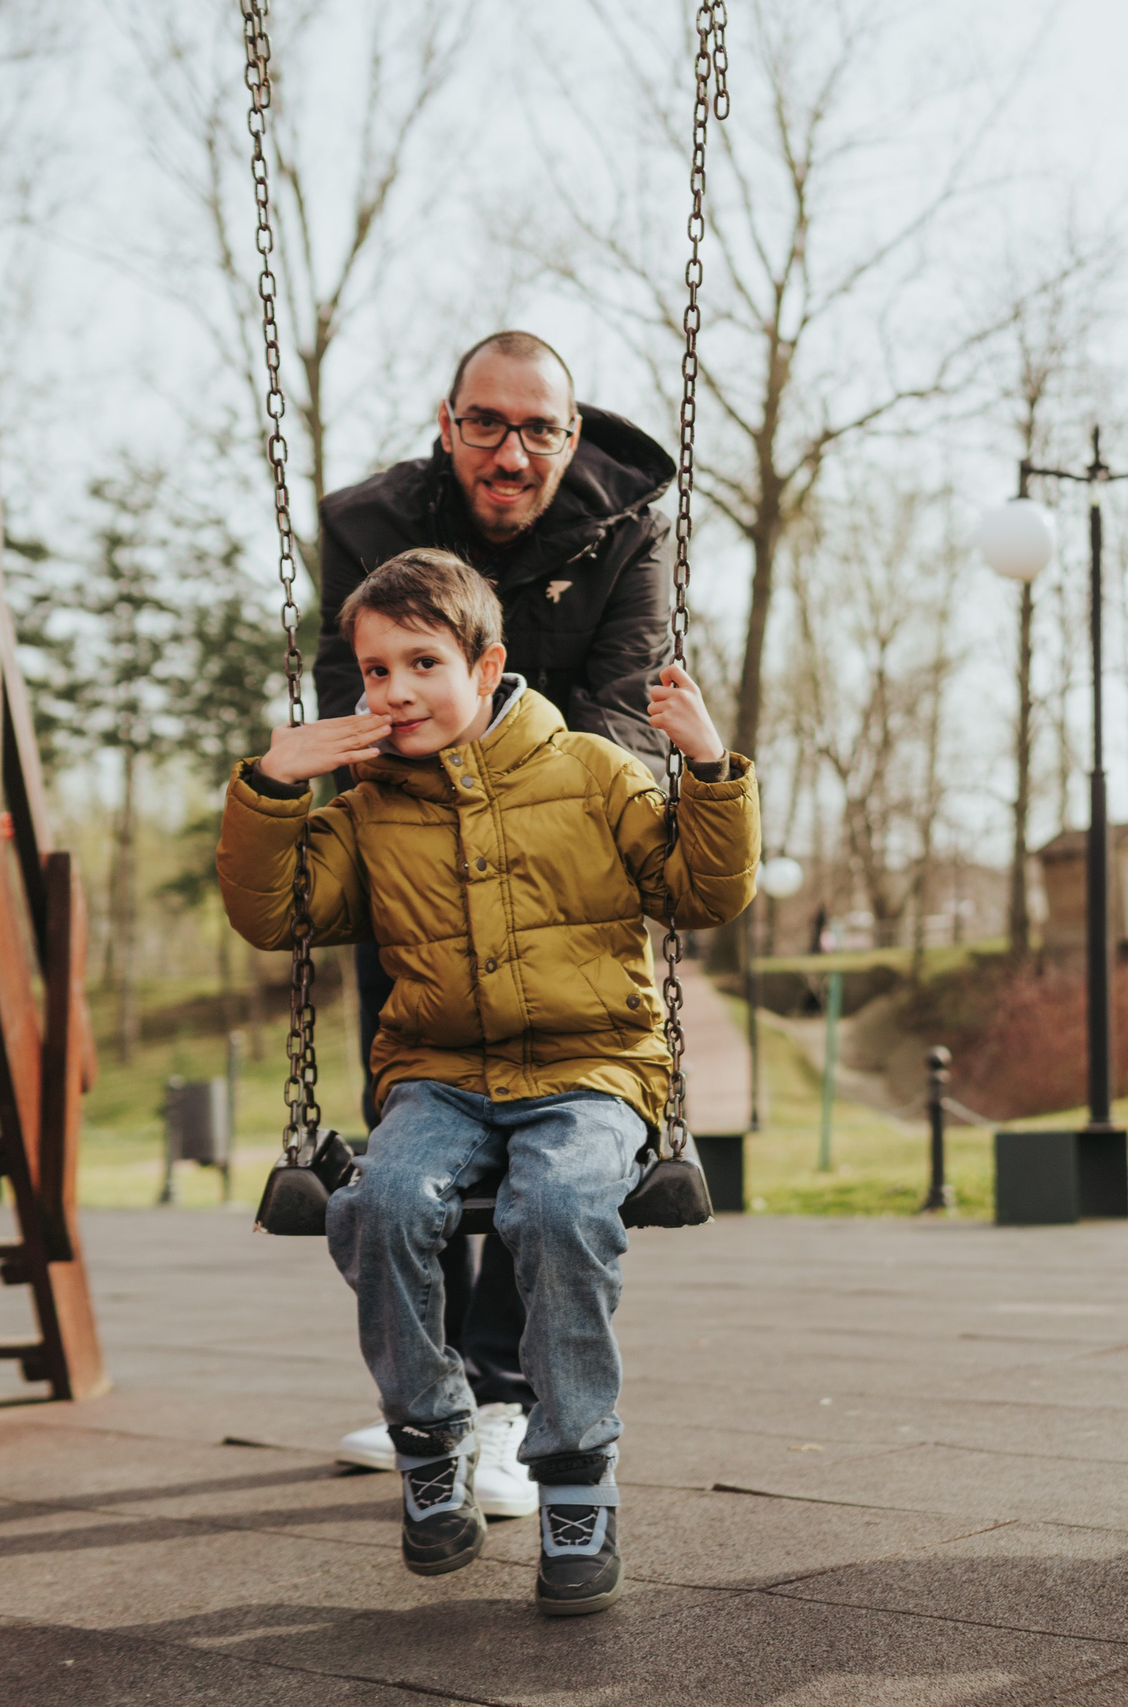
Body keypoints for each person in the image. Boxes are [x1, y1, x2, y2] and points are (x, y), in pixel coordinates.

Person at [219, 548, 757, 1615]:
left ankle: (577, 1479)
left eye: (422, 662)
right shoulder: (366, 807)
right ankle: (431, 1441)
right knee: (378, 1204)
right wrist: (272, 789)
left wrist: (707, 770)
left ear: (486, 664)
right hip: (439, 1074)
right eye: (375, 670)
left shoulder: (594, 770)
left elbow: (701, 893)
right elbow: (278, 915)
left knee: (559, 1207)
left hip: (592, 1064)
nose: (394, 690)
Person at [318, 331, 677, 1508]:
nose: (510, 454)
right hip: (415, 843)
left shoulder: (628, 527)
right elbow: (349, 691)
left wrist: (565, 821)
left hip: (567, 849)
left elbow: (627, 699)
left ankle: (509, 1391)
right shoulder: (367, 524)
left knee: (553, 1157)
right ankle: (446, 1392)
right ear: (447, 422)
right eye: (485, 425)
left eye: (538, 431)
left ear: (570, 438)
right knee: (422, 1116)